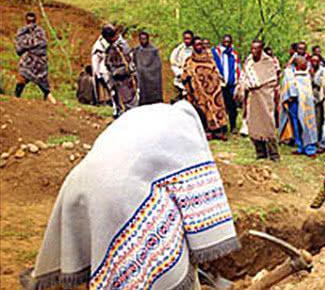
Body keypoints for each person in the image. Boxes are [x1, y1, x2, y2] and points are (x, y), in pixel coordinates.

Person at [20, 100, 239, 290]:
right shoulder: (187, 130)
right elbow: (197, 201)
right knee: (167, 220)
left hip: (78, 182)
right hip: (119, 191)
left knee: (105, 240)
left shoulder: (147, 115)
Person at [237, 40, 281, 161]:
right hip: (252, 98)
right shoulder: (249, 62)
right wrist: (245, 87)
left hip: (265, 97)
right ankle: (260, 153)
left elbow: (272, 80)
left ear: (261, 49)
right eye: (252, 49)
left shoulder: (269, 62)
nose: (254, 51)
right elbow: (244, 77)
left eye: (257, 49)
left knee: (268, 124)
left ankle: (273, 154)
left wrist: (257, 84)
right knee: (254, 125)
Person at [181, 37, 228, 141]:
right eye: (197, 44)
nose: (199, 46)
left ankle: (219, 130)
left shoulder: (209, 58)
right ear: (193, 46)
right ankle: (207, 130)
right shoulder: (190, 61)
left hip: (213, 90)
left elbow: (215, 71)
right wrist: (189, 85)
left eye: (200, 44)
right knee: (203, 109)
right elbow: (184, 76)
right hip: (199, 91)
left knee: (217, 108)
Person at [93, 24, 139, 118]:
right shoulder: (105, 47)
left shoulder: (121, 45)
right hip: (113, 76)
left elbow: (129, 61)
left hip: (126, 77)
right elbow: (103, 61)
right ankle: (118, 110)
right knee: (116, 95)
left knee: (130, 98)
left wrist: (123, 70)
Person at [279, 56, 318, 157]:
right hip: (294, 103)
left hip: (307, 105)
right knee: (296, 125)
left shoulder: (307, 75)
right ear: (298, 64)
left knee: (308, 125)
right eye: (304, 63)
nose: (306, 64)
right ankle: (300, 146)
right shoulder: (290, 74)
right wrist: (289, 96)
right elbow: (285, 86)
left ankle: (310, 148)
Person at [14, 12, 56, 103]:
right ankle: (52, 100)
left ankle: (16, 98)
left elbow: (19, 48)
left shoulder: (24, 32)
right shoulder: (40, 32)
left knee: (23, 77)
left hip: (32, 61)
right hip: (38, 61)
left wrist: (26, 49)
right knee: (40, 81)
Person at [213, 34, 241, 134]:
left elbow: (237, 68)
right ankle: (222, 128)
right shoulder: (216, 52)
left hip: (231, 85)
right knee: (220, 107)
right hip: (220, 84)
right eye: (225, 41)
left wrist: (237, 82)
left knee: (232, 107)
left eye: (228, 42)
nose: (226, 43)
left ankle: (233, 126)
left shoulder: (234, 54)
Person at [133, 31, 163, 105]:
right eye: (141, 39)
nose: (143, 41)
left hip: (152, 79)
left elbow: (157, 66)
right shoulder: (137, 50)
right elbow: (134, 62)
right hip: (141, 77)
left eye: (144, 39)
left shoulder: (153, 50)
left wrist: (147, 71)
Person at [169, 30, 194, 102]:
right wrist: (180, 74)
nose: (187, 40)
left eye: (189, 38)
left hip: (194, 80)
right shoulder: (178, 50)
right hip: (180, 81)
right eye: (185, 38)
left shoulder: (195, 49)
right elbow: (173, 64)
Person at [310, 54, 325, 150]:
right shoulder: (308, 69)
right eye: (313, 60)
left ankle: (318, 140)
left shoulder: (322, 71)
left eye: (316, 61)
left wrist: (313, 77)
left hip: (319, 99)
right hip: (309, 98)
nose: (314, 62)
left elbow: (322, 84)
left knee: (318, 121)